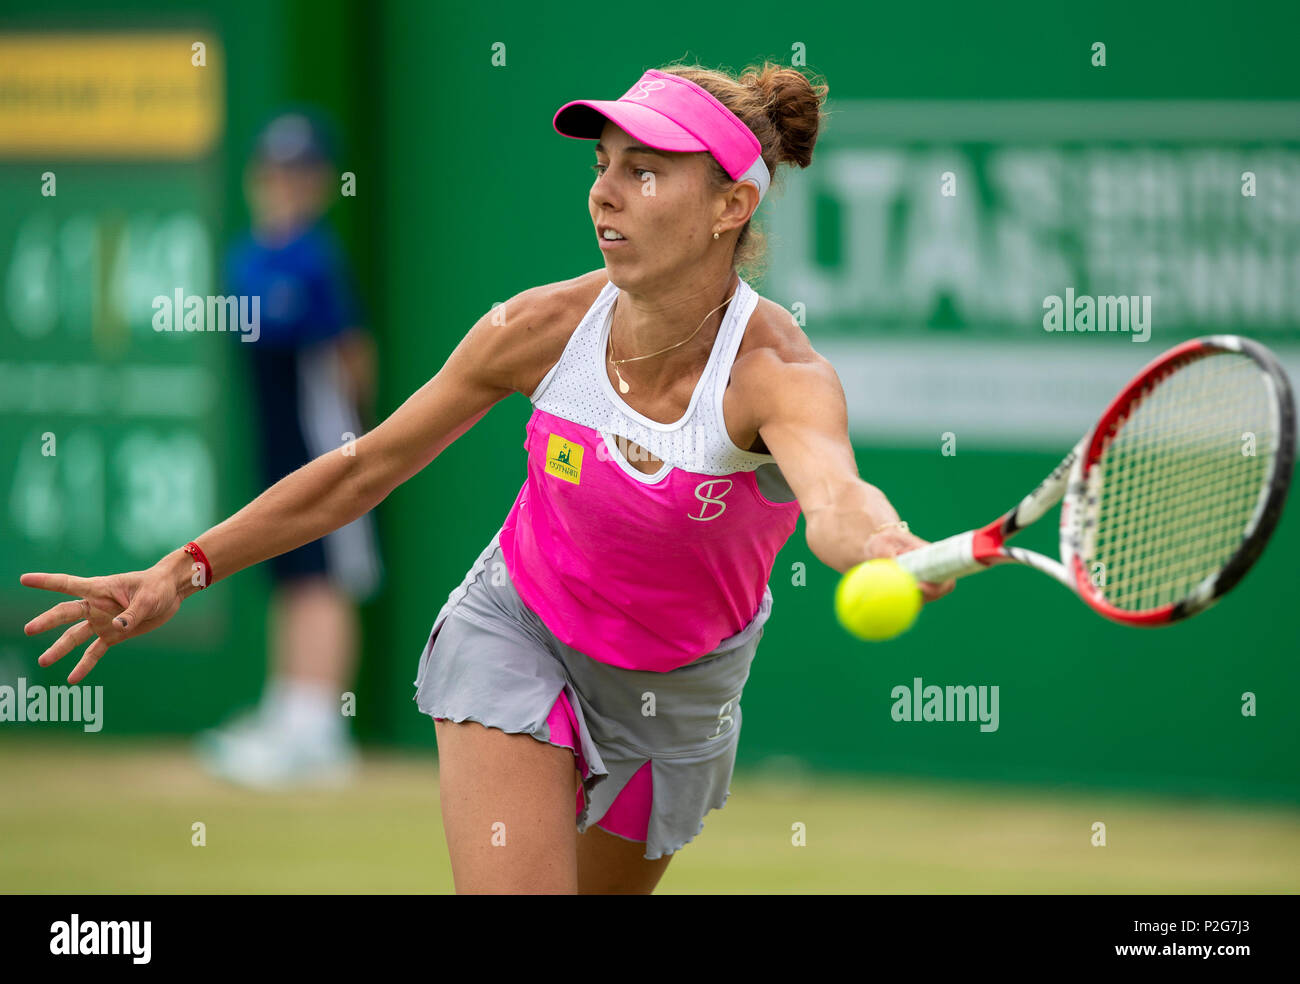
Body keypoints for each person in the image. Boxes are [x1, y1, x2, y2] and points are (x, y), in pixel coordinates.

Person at [20, 62, 953, 893]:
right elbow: (364, 466)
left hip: (678, 693)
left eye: (644, 171)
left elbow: (835, 495)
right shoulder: (537, 330)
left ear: (731, 207)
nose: (606, 196)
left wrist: (881, 542)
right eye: (602, 167)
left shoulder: (777, 374)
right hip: (518, 627)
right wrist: (181, 568)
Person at [200, 110, 383, 787]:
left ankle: (321, 727)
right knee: (283, 561)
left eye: (300, 173)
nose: (286, 184)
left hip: (323, 438)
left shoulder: (318, 257)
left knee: (325, 572)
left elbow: (353, 353)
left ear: (320, 184)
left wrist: (355, 441)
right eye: (275, 172)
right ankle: (289, 711)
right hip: (272, 438)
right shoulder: (246, 255)